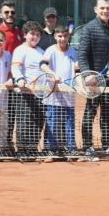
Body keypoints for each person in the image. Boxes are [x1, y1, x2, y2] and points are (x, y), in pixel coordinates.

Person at [77, 0, 109, 158]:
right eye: (102, 8)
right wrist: (88, 75)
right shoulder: (89, 28)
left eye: (108, 8)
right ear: (96, 10)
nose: (105, 11)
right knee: (90, 112)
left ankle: (107, 144)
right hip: (94, 80)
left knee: (107, 113)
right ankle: (88, 146)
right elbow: (82, 55)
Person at [39, 24, 78, 157]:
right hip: (53, 94)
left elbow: (77, 69)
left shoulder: (73, 51)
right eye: (59, 36)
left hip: (69, 94)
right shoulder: (50, 50)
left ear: (68, 36)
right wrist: (53, 74)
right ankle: (51, 149)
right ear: (55, 36)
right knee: (53, 123)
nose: (62, 39)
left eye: (65, 36)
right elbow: (42, 65)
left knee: (70, 123)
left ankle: (71, 149)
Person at [0, 2, 24, 153]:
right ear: (1, 14)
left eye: (12, 12)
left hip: (14, 82)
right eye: (7, 12)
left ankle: (6, 145)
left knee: (11, 115)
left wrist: (14, 77)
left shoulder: (19, 32)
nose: (10, 15)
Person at [12, 21, 46, 156]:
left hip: (41, 93)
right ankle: (22, 150)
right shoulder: (20, 50)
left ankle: (32, 149)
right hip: (25, 93)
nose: (35, 37)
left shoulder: (41, 51)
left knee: (38, 121)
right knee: (24, 122)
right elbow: (16, 68)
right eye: (32, 34)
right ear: (25, 34)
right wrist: (20, 80)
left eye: (38, 35)